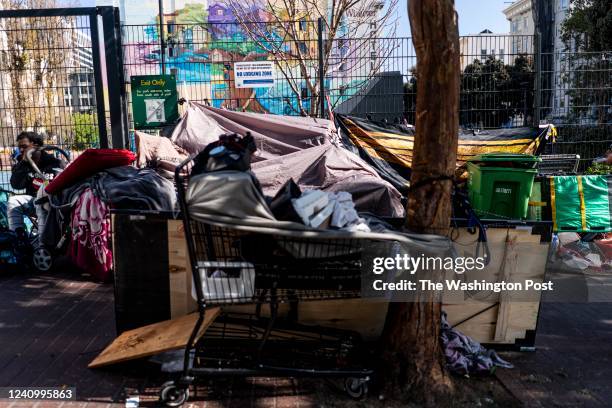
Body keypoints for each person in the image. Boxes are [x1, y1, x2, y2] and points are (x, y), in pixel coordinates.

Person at [7, 131, 64, 239]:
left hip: (53, 203)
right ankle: (18, 239)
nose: (21, 150)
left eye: (24, 146)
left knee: (42, 201)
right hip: (33, 202)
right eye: (20, 147)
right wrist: (23, 163)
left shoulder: (54, 162)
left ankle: (43, 243)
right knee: (13, 201)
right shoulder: (22, 164)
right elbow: (16, 185)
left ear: (36, 146)